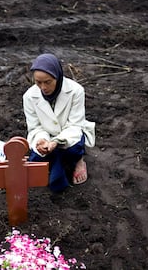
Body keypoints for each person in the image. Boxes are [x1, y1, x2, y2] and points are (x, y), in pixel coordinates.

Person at [23, 53, 95, 192]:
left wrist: (56, 142)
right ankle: (61, 164)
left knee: (72, 150)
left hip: (69, 135)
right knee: (37, 159)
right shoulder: (29, 96)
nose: (43, 87)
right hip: (47, 137)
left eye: (48, 82)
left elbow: (75, 125)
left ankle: (79, 161)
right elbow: (35, 127)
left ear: (57, 76)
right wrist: (42, 140)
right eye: (38, 82)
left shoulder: (75, 91)